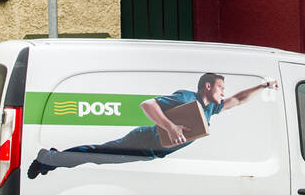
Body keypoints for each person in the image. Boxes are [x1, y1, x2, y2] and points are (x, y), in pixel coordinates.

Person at [27, 72, 277, 177]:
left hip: (153, 152)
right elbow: (147, 104)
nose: (224, 92)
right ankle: (49, 158)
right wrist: (170, 126)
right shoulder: (186, 97)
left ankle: (52, 160)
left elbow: (239, 99)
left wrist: (264, 86)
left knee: (99, 158)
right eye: (221, 87)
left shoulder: (211, 106)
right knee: (99, 154)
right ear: (208, 86)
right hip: (143, 140)